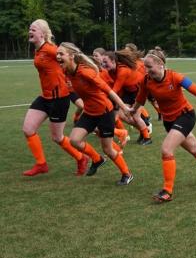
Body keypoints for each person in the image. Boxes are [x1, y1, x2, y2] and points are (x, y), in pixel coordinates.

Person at [132, 47, 196, 203]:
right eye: (145, 67)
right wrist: (132, 110)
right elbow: (140, 99)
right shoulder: (146, 81)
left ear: (161, 64)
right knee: (195, 149)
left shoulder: (176, 77)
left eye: (149, 67)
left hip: (185, 116)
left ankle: (167, 191)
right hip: (169, 122)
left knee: (166, 149)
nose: (146, 70)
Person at [55, 42, 134, 185]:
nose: (57, 56)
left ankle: (127, 174)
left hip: (104, 112)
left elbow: (109, 92)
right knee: (74, 140)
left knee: (108, 149)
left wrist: (124, 108)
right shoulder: (66, 71)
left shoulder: (86, 72)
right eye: (57, 54)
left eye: (61, 54)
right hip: (90, 112)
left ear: (72, 56)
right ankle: (97, 159)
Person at [21, 19, 90, 177]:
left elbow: (73, 57)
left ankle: (81, 158)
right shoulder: (38, 50)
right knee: (28, 129)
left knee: (57, 137)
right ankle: (41, 164)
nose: (30, 31)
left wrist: (86, 70)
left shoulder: (51, 49)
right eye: (29, 28)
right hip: (45, 97)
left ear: (43, 33)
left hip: (59, 99)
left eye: (33, 29)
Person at [101, 50, 153, 145]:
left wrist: (103, 97)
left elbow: (115, 90)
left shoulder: (123, 71)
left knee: (136, 116)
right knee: (121, 115)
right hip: (128, 92)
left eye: (105, 62)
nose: (103, 64)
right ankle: (143, 129)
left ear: (113, 61)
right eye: (102, 62)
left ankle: (147, 138)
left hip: (139, 91)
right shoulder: (111, 71)